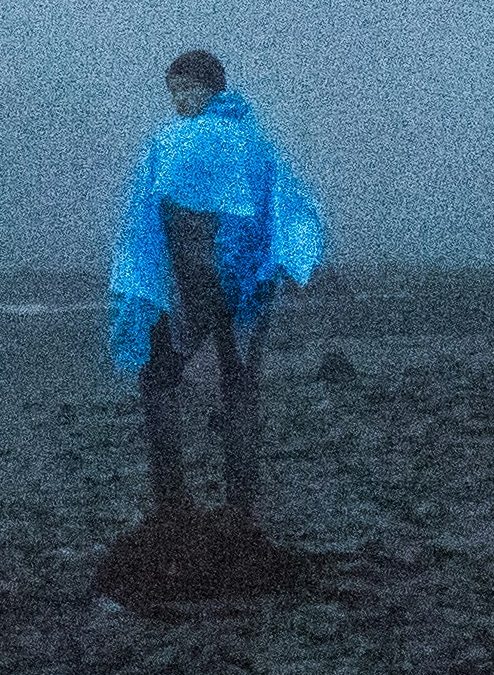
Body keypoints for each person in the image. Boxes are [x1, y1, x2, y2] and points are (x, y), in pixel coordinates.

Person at [106, 49, 328, 527]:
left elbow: (143, 227)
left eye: (187, 88)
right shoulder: (254, 144)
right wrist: (286, 264)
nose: (179, 99)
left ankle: (174, 502)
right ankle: (239, 509)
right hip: (245, 291)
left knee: (162, 381)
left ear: (211, 89)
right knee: (239, 387)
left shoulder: (170, 143)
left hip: (193, 289)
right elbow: (287, 210)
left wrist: (140, 290)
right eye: (174, 90)